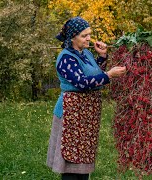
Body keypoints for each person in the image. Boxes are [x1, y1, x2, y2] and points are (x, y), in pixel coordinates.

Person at [46, 16, 126, 180]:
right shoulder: (66, 58)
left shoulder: (86, 54)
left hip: (85, 116)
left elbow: (93, 74)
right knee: (70, 164)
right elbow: (82, 82)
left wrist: (102, 57)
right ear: (72, 37)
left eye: (89, 34)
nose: (89, 38)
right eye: (84, 35)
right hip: (71, 115)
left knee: (82, 163)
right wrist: (109, 75)